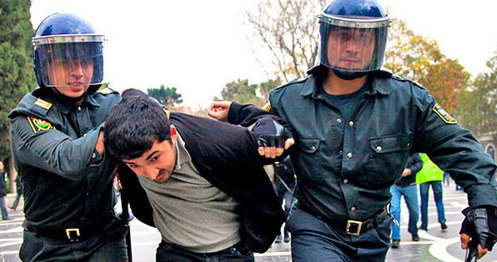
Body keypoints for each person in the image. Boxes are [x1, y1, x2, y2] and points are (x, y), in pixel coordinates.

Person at [208, 0, 497, 260]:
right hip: (315, 229)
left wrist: (483, 203)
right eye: (343, 35)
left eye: (364, 37)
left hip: (377, 235)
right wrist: (249, 120)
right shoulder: (289, 100)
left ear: (378, 43)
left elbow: (460, 146)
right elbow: (256, 132)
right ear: (327, 37)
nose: (352, 47)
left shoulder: (408, 102)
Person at [103, 89, 293, 261]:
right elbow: (131, 94)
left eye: (155, 158)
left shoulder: (217, 142)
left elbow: (284, 133)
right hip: (175, 253)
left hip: (233, 254)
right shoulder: (122, 143)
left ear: (172, 134)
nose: (151, 174)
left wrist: (240, 113)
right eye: (135, 165)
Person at [8, 13, 128, 261]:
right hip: (49, 247)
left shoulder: (108, 103)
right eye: (66, 64)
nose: (78, 73)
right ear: (45, 65)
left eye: (86, 63)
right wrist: (117, 125)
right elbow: (67, 159)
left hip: (104, 241)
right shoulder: (27, 117)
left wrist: (140, 103)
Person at [390, 153, 422, 248]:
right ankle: (395, 238)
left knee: (414, 212)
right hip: (395, 185)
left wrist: (410, 171)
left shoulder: (413, 150)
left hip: (410, 184)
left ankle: (413, 230)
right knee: (394, 210)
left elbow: (420, 163)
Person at [416, 153, 447, 231]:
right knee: (439, 200)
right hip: (436, 174)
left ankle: (424, 224)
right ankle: (442, 219)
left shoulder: (421, 149)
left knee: (424, 201)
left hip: (423, 176)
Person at [273, 155, 296, 244]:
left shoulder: (288, 159)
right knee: (276, 212)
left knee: (288, 208)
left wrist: (283, 166)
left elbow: (292, 172)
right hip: (277, 187)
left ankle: (286, 232)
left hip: (288, 187)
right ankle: (278, 234)